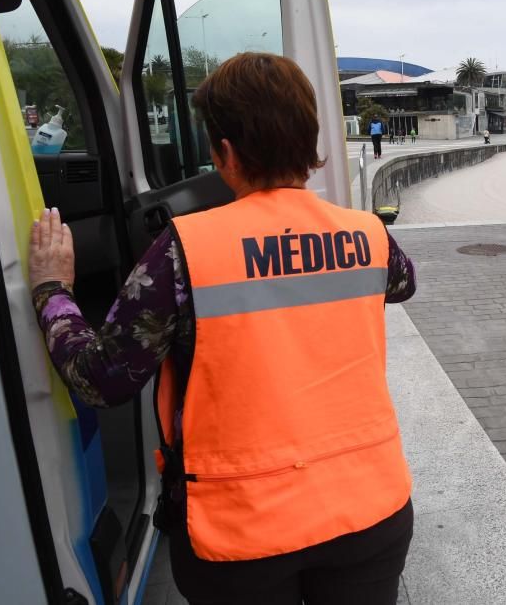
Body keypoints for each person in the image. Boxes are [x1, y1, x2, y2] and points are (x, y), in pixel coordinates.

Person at [29, 53, 416, 605]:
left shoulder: (185, 251)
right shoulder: (368, 235)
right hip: (371, 511)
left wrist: (53, 291)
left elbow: (101, 379)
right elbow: (400, 284)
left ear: (226, 153)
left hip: (243, 534)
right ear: (309, 139)